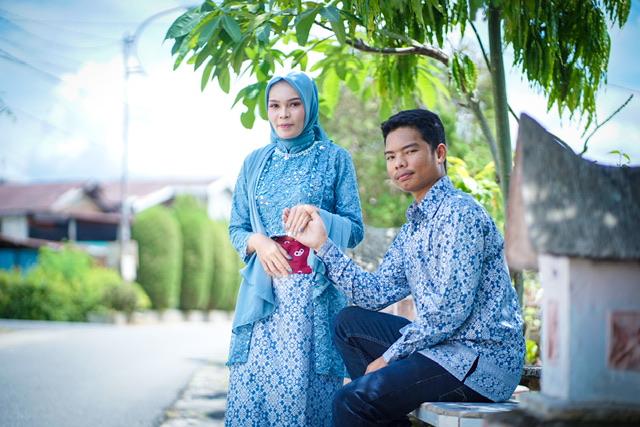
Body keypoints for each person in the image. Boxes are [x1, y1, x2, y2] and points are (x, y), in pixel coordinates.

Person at [291, 109, 525, 426]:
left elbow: (448, 312)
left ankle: (371, 405)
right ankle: (381, 410)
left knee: (351, 400)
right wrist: (322, 244)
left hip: (479, 360)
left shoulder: (460, 213)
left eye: (409, 151)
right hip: (442, 349)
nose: (398, 163)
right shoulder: (413, 227)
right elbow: (375, 294)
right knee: (348, 323)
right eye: (390, 157)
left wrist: (389, 357)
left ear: (439, 153)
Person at [224, 71, 364, 427]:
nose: (283, 114)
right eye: (274, 106)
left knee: (304, 402)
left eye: (293, 104)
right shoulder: (254, 162)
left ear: (309, 107)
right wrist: (259, 242)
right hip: (263, 299)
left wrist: (318, 215)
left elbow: (354, 231)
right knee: (254, 396)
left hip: (313, 301)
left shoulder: (335, 159)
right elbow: (237, 228)